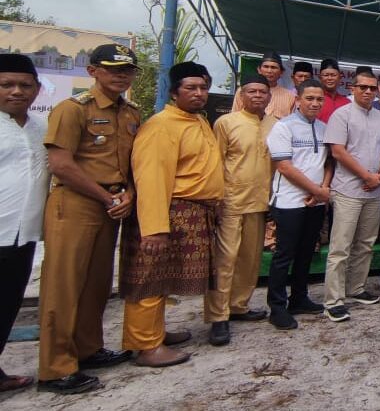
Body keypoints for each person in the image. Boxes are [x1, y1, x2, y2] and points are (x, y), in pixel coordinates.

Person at [37, 44, 140, 394]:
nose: (121, 75)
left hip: (112, 204)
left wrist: (127, 193)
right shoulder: (72, 109)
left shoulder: (130, 113)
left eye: (127, 69)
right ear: (94, 71)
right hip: (77, 203)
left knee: (96, 284)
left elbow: (129, 163)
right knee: (62, 287)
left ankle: (88, 348)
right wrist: (107, 196)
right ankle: (55, 368)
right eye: (113, 68)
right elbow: (62, 165)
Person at [121, 62, 223, 368]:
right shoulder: (161, 125)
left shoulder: (197, 120)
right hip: (169, 211)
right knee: (150, 279)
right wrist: (154, 227)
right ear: (174, 91)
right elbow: (151, 178)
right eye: (190, 88)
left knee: (163, 280)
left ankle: (156, 333)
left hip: (192, 212)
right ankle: (146, 346)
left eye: (203, 87)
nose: (199, 94)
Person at [204, 75, 278, 346]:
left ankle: (239, 306)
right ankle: (218, 316)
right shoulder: (226, 123)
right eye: (252, 91)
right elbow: (215, 162)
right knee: (225, 261)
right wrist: (216, 198)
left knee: (250, 259)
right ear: (241, 95)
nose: (258, 95)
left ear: (270, 96)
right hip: (231, 201)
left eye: (262, 91)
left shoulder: (275, 125)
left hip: (260, 202)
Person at [321, 70, 380, 322]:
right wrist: (366, 176)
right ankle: (333, 300)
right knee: (340, 247)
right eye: (364, 87)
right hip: (349, 190)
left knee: (365, 243)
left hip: (375, 190)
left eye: (373, 88)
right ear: (353, 87)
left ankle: (356, 288)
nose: (368, 92)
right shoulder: (341, 115)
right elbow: (338, 152)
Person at [266, 79, 332, 330]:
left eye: (319, 99)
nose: (315, 103)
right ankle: (277, 307)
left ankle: (299, 298)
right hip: (289, 202)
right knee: (284, 255)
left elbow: (328, 163)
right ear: (298, 100)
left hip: (315, 202)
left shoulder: (325, 128)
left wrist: (322, 190)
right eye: (310, 98)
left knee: (306, 252)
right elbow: (284, 166)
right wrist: (317, 191)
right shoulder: (284, 127)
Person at [0, 54, 47, 393]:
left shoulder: (40, 128)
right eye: (7, 85)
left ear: (36, 89)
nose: (17, 91)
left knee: (8, 303)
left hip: (24, 234)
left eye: (25, 85)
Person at [233, 51, 295, 118]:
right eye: (266, 66)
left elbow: (291, 122)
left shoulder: (290, 96)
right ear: (259, 70)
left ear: (281, 72)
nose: (269, 71)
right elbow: (234, 116)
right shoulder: (243, 91)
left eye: (273, 67)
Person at [317, 58, 349, 123]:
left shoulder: (347, 103)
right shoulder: (314, 100)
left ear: (340, 78)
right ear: (320, 78)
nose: (329, 78)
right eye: (326, 75)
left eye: (333, 75)